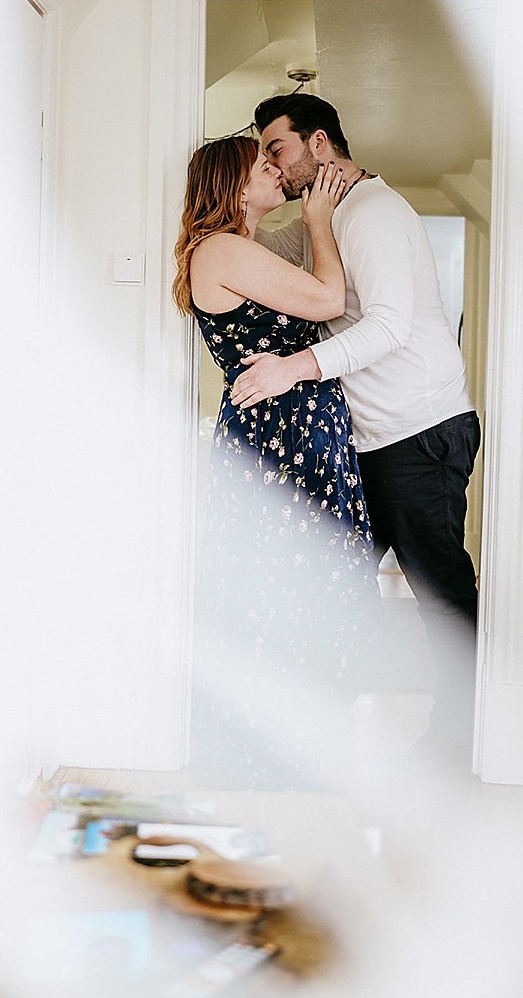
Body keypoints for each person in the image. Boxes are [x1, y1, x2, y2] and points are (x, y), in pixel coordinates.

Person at [231, 93, 481, 766]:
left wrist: (296, 368)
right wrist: (246, 208)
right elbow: (262, 260)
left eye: (277, 150)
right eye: (262, 157)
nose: (272, 166)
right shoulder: (326, 215)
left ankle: (464, 743)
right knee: (332, 582)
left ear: (319, 143)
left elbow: (389, 324)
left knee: (438, 594)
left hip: (419, 429)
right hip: (371, 438)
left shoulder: (370, 214)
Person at [172, 134, 379, 787]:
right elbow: (327, 301)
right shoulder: (224, 249)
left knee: (294, 589)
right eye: (263, 166)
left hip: (289, 433)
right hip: (280, 440)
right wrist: (317, 221)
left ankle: (299, 746)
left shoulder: (242, 249)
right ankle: (280, 757)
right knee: (289, 590)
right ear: (233, 184)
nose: (276, 172)